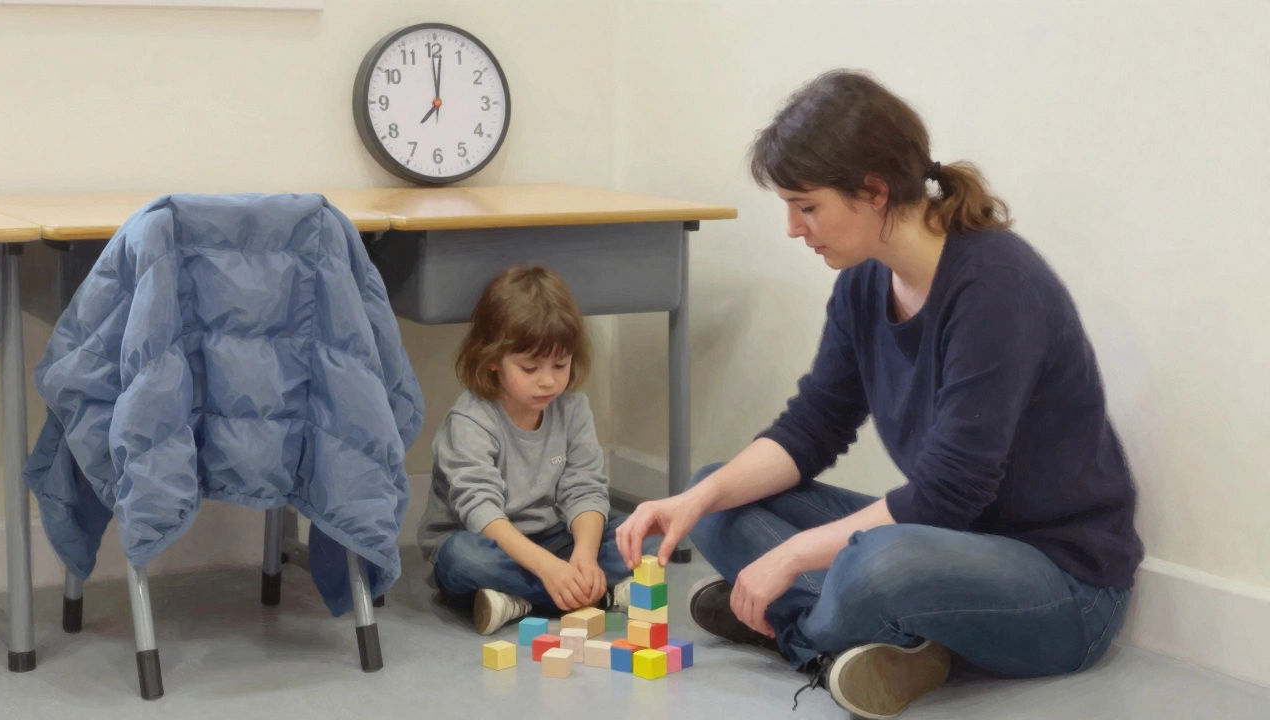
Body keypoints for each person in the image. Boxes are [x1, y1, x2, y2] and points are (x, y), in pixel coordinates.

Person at [615, 69, 1145, 718]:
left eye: (806, 206)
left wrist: (789, 557)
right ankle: (874, 641)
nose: (792, 229)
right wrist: (692, 500)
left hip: (1063, 584)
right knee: (720, 499)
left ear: (872, 191)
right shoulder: (865, 285)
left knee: (879, 566)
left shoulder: (998, 289)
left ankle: (806, 630)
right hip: (946, 541)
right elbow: (811, 428)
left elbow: (949, 495)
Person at [416, 265, 656, 635]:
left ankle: (520, 600)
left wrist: (584, 556)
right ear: (492, 359)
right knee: (460, 558)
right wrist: (549, 569)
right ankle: (594, 595)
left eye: (560, 364)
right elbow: (481, 510)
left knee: (641, 530)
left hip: (554, 538)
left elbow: (586, 488)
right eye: (530, 368)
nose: (548, 380)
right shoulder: (470, 420)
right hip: (486, 543)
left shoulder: (573, 409)